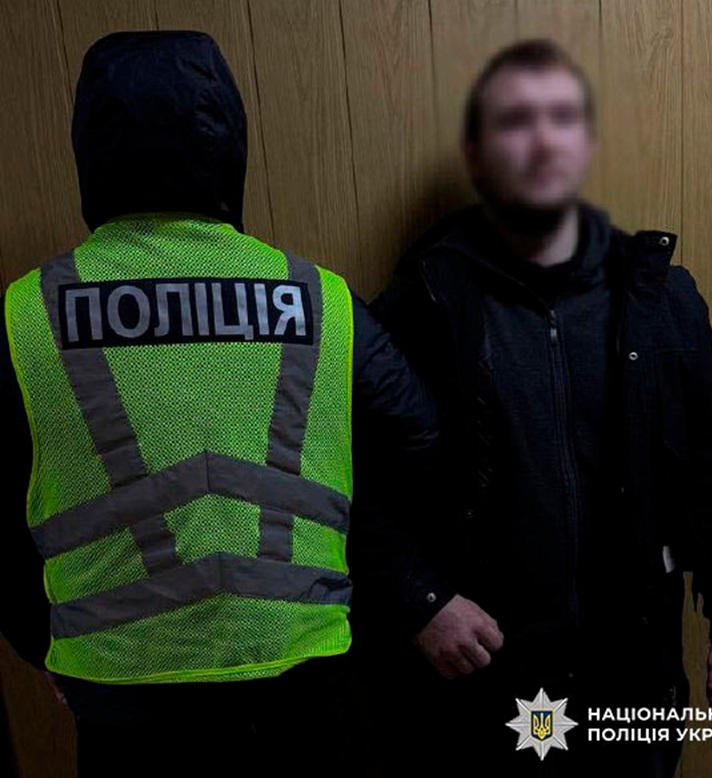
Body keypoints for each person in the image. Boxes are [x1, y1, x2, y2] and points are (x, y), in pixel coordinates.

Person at [0, 30, 439, 777]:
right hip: (303, 687)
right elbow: (419, 443)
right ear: (229, 139)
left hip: (123, 699)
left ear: (90, 149)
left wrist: (42, 641)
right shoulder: (321, 301)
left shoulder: (26, 316)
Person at [353, 38, 712, 777]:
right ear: (477, 154)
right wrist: (421, 600)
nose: (544, 139)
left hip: (631, 675)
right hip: (486, 683)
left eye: (563, 118)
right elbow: (352, 471)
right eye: (516, 120)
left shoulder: (660, 298)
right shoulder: (428, 303)